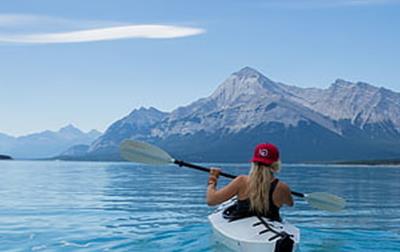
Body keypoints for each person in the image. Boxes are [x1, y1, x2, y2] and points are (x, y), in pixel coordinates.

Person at [206, 143, 293, 221]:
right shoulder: (282, 187)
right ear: (276, 164)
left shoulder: (241, 181)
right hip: (272, 224)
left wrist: (213, 179)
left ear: (254, 162)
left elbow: (211, 200)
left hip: (241, 224)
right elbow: (290, 204)